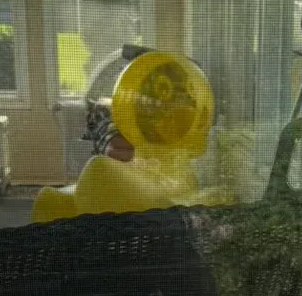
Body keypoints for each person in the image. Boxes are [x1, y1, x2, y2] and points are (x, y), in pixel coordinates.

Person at [33, 50, 229, 223]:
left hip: (171, 185)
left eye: (169, 94)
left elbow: (197, 149)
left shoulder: (189, 119)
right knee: (50, 200)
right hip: (142, 173)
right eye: (151, 97)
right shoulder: (138, 124)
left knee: (99, 171)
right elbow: (120, 129)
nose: (158, 104)